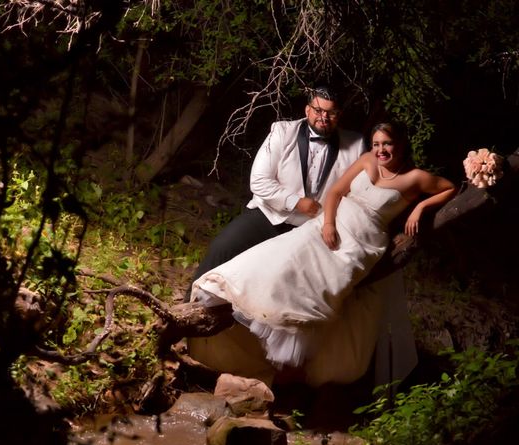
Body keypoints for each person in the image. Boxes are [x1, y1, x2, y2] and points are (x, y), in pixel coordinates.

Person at [191, 122, 456, 386]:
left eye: (387, 144)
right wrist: (328, 223)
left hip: (363, 242)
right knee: (281, 260)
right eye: (376, 144)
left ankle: (289, 377)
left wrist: (420, 207)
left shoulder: (415, 178)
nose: (380, 150)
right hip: (328, 224)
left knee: (317, 291)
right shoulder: (366, 160)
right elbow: (336, 192)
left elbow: (449, 188)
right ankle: (229, 300)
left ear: (399, 144)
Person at [184, 85, 365, 301]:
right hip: (270, 215)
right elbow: (259, 182)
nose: (323, 117)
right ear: (307, 110)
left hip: (312, 230)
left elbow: (357, 195)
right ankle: (187, 304)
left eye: (331, 112)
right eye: (318, 110)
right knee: (223, 247)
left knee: (284, 290)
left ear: (339, 115)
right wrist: (296, 202)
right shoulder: (281, 131)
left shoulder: (355, 146)